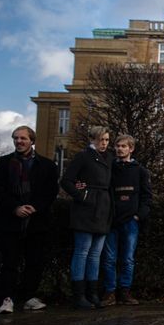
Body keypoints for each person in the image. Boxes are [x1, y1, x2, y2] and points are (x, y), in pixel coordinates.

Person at [0, 126, 58, 314]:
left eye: (23, 138)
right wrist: (15, 207)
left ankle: (28, 296)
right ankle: (7, 298)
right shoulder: (4, 163)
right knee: (9, 262)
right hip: (10, 220)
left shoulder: (47, 165)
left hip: (36, 220)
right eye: (16, 138)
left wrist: (35, 207)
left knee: (34, 261)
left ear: (32, 140)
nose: (18, 141)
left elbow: (50, 191)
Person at [60, 126, 113, 309]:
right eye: (100, 140)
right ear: (92, 139)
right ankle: (79, 295)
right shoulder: (83, 157)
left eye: (106, 140)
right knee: (82, 252)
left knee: (95, 255)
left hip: (103, 209)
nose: (104, 143)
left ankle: (92, 293)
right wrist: (81, 195)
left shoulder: (109, 157)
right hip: (86, 209)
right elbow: (66, 181)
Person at [100, 135, 152, 306]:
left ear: (131, 149)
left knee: (128, 258)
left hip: (131, 220)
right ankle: (109, 292)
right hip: (111, 219)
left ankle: (124, 291)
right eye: (117, 146)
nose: (119, 149)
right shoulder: (109, 168)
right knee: (109, 258)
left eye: (123, 146)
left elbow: (147, 196)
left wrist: (139, 215)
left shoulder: (140, 171)